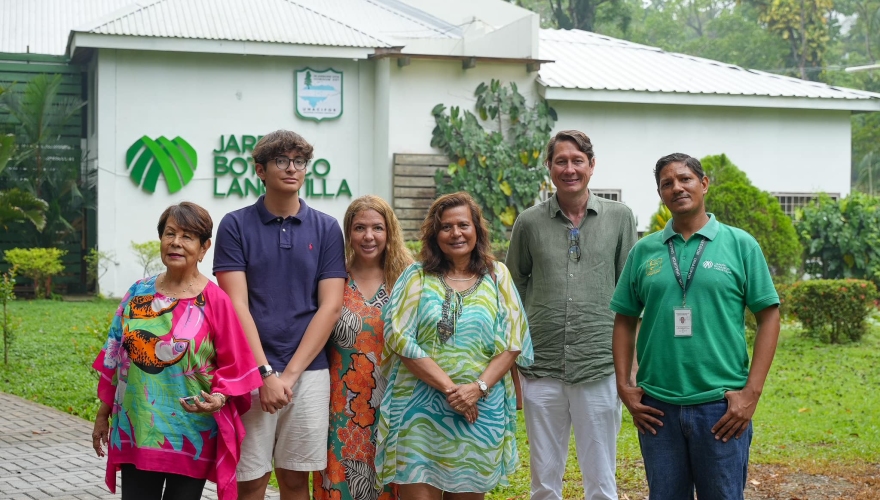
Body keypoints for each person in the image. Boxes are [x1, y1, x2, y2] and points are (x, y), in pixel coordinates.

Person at [610, 153, 781, 500]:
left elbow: (769, 316)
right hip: (657, 408)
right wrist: (624, 385)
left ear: (704, 184)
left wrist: (751, 394)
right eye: (667, 183)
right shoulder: (644, 252)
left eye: (685, 179)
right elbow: (624, 320)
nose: (677, 187)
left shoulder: (740, 245)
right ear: (660, 194)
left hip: (720, 407)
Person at [91, 202, 262, 500]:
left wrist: (219, 398)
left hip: (189, 431)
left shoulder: (215, 301)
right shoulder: (137, 293)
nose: (176, 243)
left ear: (204, 246)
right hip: (138, 425)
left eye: (188, 236)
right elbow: (114, 355)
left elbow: (235, 364)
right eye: (170, 233)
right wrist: (102, 414)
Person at [213, 130, 347, 500]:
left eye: (299, 161)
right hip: (250, 371)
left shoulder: (326, 228)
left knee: (294, 479)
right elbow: (235, 304)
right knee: (252, 479)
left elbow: (330, 306)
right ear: (260, 169)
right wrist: (265, 373)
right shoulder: (235, 225)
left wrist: (287, 376)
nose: (292, 168)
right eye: (281, 161)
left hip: (308, 373)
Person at [505, 130, 637, 500]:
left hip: (600, 363)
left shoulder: (620, 217)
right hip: (540, 364)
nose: (569, 168)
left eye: (577, 160)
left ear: (592, 166)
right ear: (549, 167)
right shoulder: (529, 222)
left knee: (601, 478)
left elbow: (631, 294)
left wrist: (633, 366)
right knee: (544, 480)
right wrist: (513, 365)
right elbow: (512, 290)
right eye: (560, 161)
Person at [375, 192, 533, 499]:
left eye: (463, 224)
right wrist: (452, 390)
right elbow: (399, 338)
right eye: (446, 226)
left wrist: (477, 388)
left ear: (476, 229)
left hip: (480, 412)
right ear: (434, 234)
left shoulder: (497, 275)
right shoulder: (416, 276)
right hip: (418, 412)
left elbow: (513, 341)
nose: (456, 233)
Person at [312, 195, 412, 500]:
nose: (369, 236)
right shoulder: (333, 278)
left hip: (395, 402)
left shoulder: (408, 279)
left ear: (389, 232)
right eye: (359, 228)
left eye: (377, 228)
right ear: (348, 233)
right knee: (341, 480)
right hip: (341, 404)